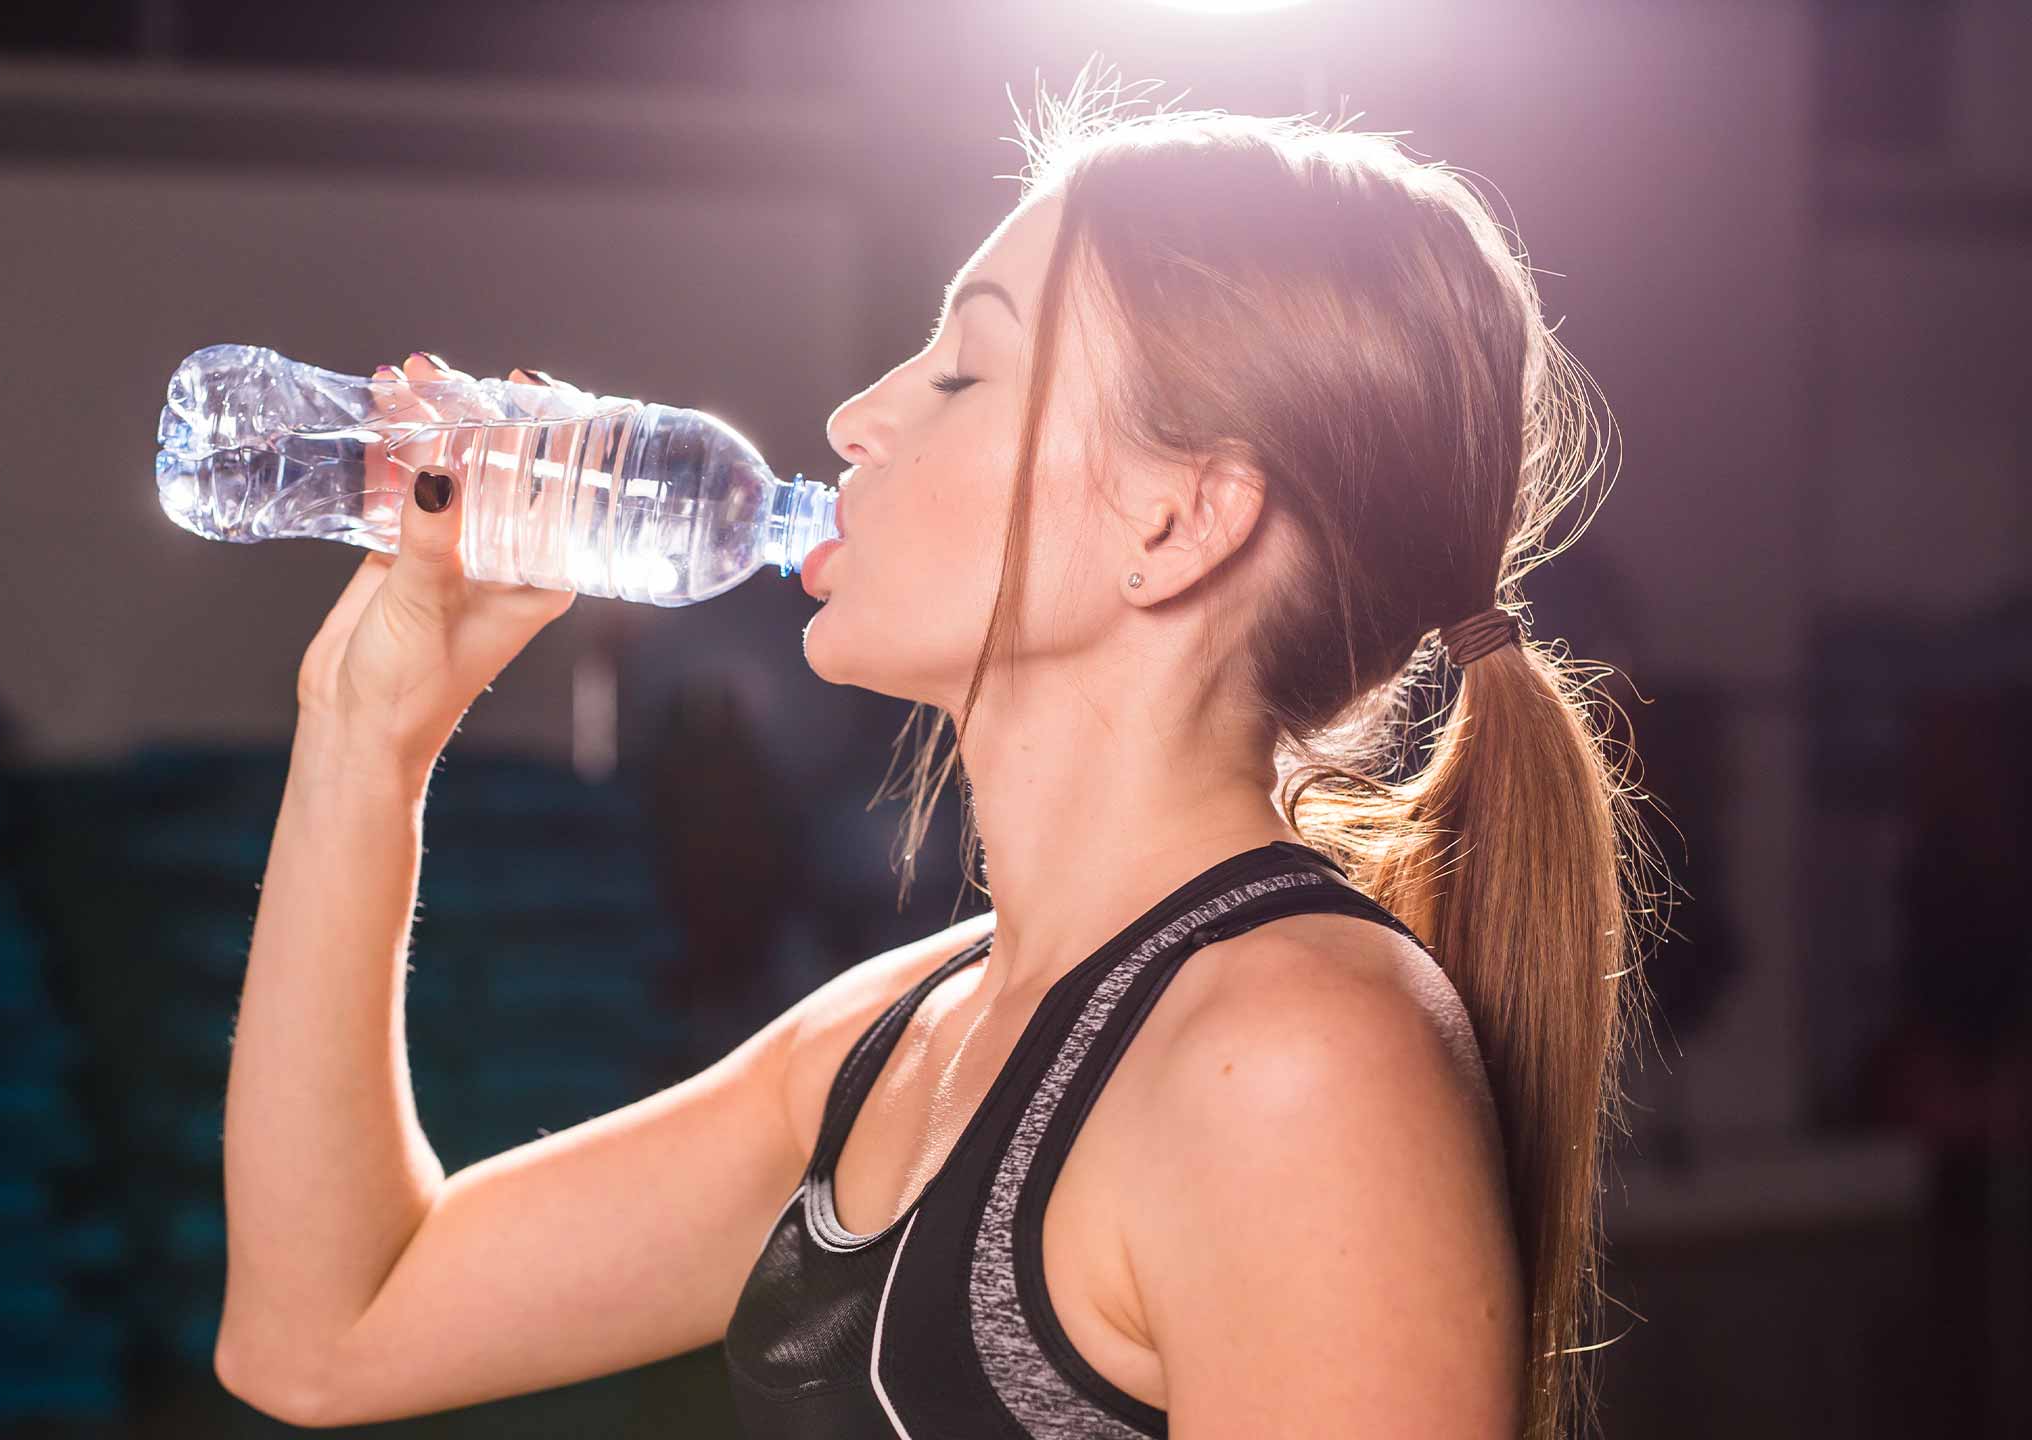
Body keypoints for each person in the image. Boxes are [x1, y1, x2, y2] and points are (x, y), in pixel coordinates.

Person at [214, 70, 1657, 1440]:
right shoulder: (900, 1033)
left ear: (1175, 522)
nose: (857, 421)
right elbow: (324, 1335)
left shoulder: (1293, 1061)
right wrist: (367, 727)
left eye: (963, 372)